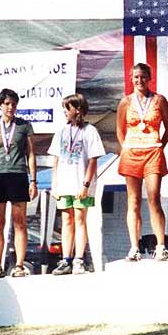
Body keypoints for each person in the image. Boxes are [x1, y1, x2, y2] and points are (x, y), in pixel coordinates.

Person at [116, 62, 168, 261]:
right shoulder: (125, 102)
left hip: (152, 152)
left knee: (154, 198)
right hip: (132, 153)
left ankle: (160, 246)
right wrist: (126, 146)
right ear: (131, 79)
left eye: (143, 77)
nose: (139, 80)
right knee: (133, 201)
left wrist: (159, 146)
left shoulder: (159, 100)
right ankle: (134, 247)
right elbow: (119, 130)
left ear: (149, 78)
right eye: (136, 77)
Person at [0, 88, 38, 278]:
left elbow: (31, 154)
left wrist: (33, 181)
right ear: (0, 105)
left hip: (18, 175)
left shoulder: (24, 126)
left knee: (19, 222)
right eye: (6, 104)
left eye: (13, 104)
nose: (10, 107)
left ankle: (19, 265)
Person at [49, 94, 106, 275]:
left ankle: (79, 259)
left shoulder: (90, 131)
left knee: (80, 219)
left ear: (78, 109)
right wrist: (54, 184)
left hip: (82, 183)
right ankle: (66, 259)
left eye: (68, 108)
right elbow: (56, 159)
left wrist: (86, 185)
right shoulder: (61, 131)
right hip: (64, 183)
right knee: (67, 220)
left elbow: (93, 160)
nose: (65, 112)